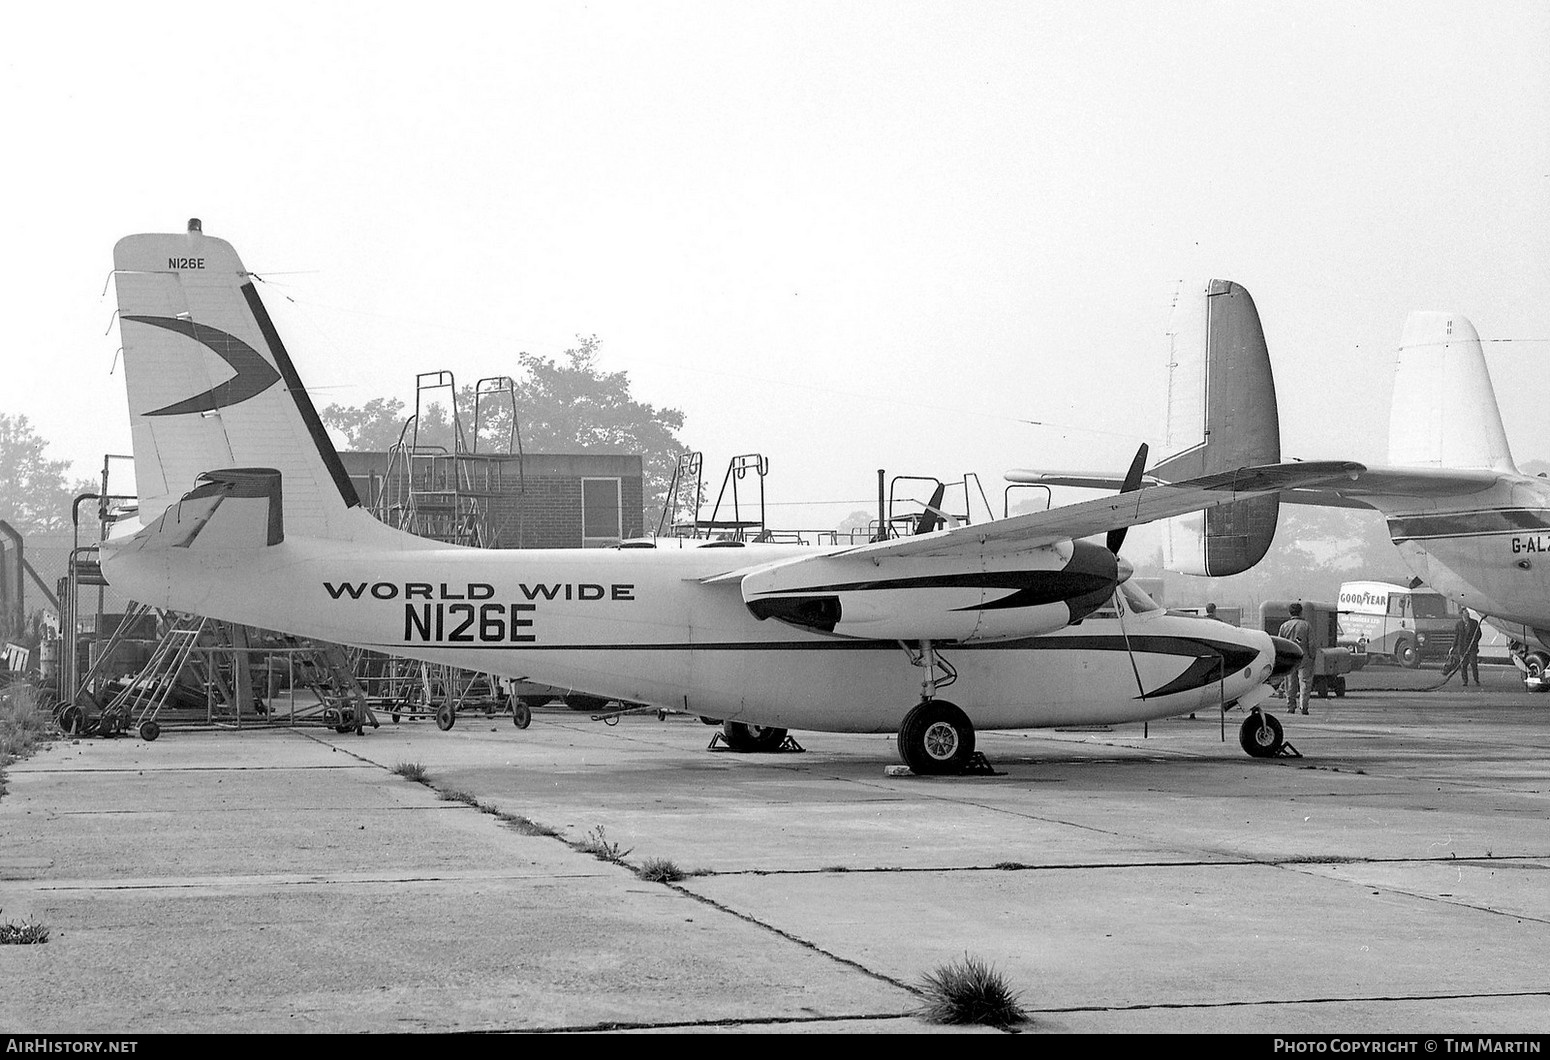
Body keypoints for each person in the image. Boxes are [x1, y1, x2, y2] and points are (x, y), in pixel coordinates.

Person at [1277, 602, 1316, 715]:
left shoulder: (1284, 626)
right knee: (1304, 683)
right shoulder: (1306, 626)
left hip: (1289, 659)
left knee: (1289, 683)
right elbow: (1312, 644)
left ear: (1290, 613)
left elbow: (1280, 643)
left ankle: (1290, 706)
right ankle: (1303, 706)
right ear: (1301, 612)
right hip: (1304, 658)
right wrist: (1312, 656)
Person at [1452, 607, 1482, 687]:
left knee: (1473, 664)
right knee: (1463, 665)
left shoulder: (1474, 623)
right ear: (1462, 614)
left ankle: (1476, 680)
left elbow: (1479, 634)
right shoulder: (1459, 624)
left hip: (1472, 648)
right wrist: (1453, 647)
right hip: (1462, 648)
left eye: (1467, 613)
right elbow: (1456, 637)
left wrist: (1475, 641)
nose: (1467, 614)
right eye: (1465, 613)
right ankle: (1465, 681)